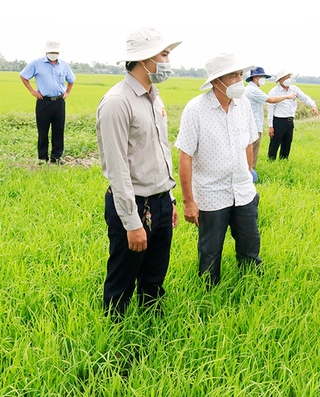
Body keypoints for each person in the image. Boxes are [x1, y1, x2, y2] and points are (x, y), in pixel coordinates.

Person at [96, 27, 180, 321]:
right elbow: (116, 168)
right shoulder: (117, 102)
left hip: (159, 200)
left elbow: (162, 151)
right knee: (122, 278)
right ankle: (114, 335)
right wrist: (132, 223)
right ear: (144, 58)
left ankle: (151, 329)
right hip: (133, 204)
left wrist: (169, 200)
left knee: (154, 278)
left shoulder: (155, 97)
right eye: (164, 54)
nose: (168, 61)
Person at [176, 53, 262, 287]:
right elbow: (185, 157)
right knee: (210, 252)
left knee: (250, 245)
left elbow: (248, 143)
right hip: (211, 195)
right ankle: (208, 293)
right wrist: (188, 202)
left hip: (243, 191)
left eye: (240, 74)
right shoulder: (196, 109)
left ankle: (251, 288)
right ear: (216, 82)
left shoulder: (243, 105)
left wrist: (247, 177)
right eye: (233, 75)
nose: (239, 79)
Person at [20, 39, 76, 164]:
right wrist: (32, 91)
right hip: (43, 101)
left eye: (55, 51)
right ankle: (42, 158)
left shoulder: (64, 65)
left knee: (58, 130)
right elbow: (23, 76)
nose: (53, 53)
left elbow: (71, 79)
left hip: (59, 101)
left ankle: (56, 157)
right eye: (51, 51)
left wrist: (67, 92)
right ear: (46, 51)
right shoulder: (36, 63)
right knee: (43, 130)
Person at [244, 67, 296, 171]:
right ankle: (249, 175)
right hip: (253, 125)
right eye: (262, 77)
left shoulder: (250, 89)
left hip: (251, 124)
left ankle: (248, 173)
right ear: (255, 78)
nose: (264, 79)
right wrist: (287, 97)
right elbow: (271, 100)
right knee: (252, 153)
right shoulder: (253, 90)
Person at [266, 69, 319, 160]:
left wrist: (313, 105)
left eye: (289, 76)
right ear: (280, 80)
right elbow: (270, 109)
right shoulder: (274, 92)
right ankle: (271, 161)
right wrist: (270, 126)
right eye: (286, 77)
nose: (288, 79)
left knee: (287, 143)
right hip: (278, 121)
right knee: (275, 143)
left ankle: (283, 162)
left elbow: (305, 98)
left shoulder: (294, 89)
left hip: (289, 121)